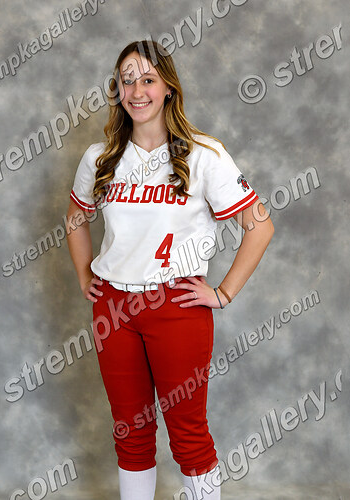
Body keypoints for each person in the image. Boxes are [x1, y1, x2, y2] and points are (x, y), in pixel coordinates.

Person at [66, 39, 274, 500]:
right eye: (127, 81)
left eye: (148, 79)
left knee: (187, 432)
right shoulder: (101, 157)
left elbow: (260, 226)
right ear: (117, 90)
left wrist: (222, 292)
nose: (136, 91)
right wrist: (85, 276)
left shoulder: (203, 154)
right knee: (130, 430)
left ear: (168, 88)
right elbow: (75, 218)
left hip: (176, 305)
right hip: (113, 309)